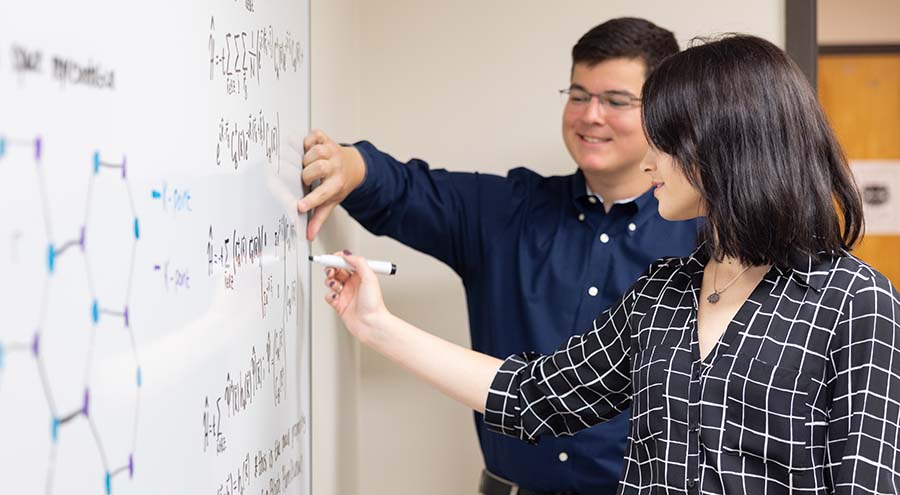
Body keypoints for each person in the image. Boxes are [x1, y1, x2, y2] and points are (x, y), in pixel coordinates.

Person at [321, 34, 900, 494]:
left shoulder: (854, 301)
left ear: (726, 146)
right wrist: (375, 324)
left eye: (664, 140)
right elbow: (533, 396)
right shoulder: (662, 294)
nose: (649, 161)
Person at [298, 18, 699, 494]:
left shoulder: (706, 240)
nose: (591, 115)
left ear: (663, 112)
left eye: (615, 101)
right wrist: (351, 164)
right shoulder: (511, 210)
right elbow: (410, 192)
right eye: (578, 95)